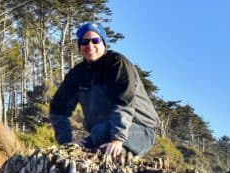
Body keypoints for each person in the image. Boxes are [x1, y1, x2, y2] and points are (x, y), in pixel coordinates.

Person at [49, 22, 160, 162]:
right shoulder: (77, 74)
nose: (90, 46)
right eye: (84, 41)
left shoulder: (117, 63)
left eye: (95, 40)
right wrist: (66, 142)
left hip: (140, 130)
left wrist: (117, 140)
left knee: (101, 132)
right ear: (79, 46)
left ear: (104, 43)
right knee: (81, 147)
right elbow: (58, 108)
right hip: (102, 132)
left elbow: (124, 102)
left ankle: (124, 159)